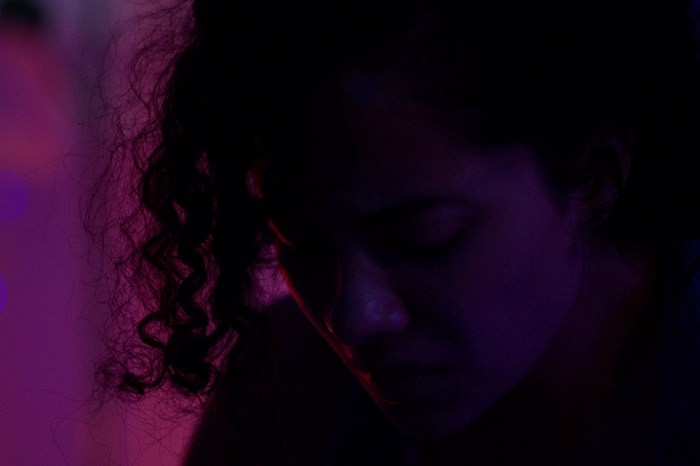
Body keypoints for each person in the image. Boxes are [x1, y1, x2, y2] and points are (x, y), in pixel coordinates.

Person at [93, 0, 700, 464]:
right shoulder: (284, 394)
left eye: (425, 237)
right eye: (300, 241)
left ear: (596, 175)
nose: (353, 318)